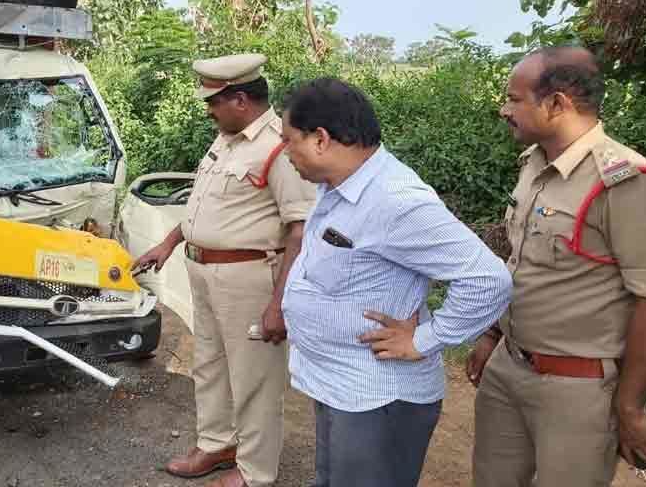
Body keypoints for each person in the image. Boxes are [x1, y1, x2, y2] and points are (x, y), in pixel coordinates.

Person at [279, 77, 512, 487]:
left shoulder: (395, 200)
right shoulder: (337, 188)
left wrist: (424, 339)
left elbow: (488, 278)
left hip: (378, 397)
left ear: (320, 139)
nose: (284, 152)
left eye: (288, 140)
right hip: (341, 384)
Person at [468, 46, 646, 486]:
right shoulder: (534, 164)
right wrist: (493, 334)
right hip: (509, 368)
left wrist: (630, 406)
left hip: (576, 389)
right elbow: (521, 263)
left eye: (514, 99)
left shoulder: (626, 183)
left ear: (557, 104)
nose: (503, 109)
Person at [133, 53, 316, 487]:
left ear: (239, 99)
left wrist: (280, 303)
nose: (209, 111)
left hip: (249, 277)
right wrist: (169, 242)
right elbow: (205, 208)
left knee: (254, 378)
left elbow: (300, 230)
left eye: (213, 103)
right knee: (210, 364)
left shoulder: (279, 146)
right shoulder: (227, 139)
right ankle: (216, 445)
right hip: (205, 271)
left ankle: (254, 472)